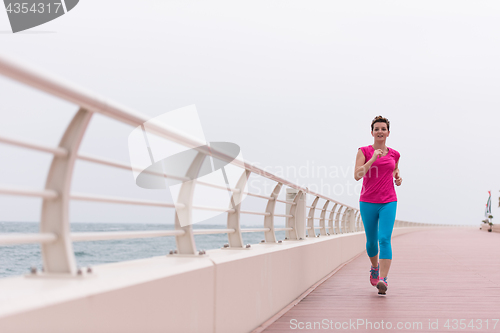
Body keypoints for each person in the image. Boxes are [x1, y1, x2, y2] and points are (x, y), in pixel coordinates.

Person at [354, 115, 402, 296]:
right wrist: (373, 158)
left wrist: (398, 177)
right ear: (372, 132)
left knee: (384, 239)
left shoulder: (395, 154)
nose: (380, 131)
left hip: (389, 200)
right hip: (368, 201)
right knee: (372, 242)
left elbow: (395, 168)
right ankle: (374, 267)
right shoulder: (364, 151)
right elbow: (357, 175)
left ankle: (383, 278)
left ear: (388, 132)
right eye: (377, 129)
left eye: (383, 129)